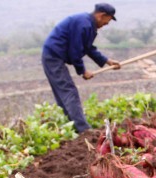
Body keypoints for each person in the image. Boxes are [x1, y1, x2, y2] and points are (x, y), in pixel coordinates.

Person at [41, 3, 121, 133]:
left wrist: (107, 61)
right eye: (108, 20)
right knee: (68, 91)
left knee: (64, 92)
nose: (107, 24)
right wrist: (82, 71)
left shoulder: (88, 25)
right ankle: (83, 130)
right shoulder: (83, 24)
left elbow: (88, 48)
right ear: (102, 15)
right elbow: (75, 50)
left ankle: (72, 126)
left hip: (55, 56)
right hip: (53, 56)